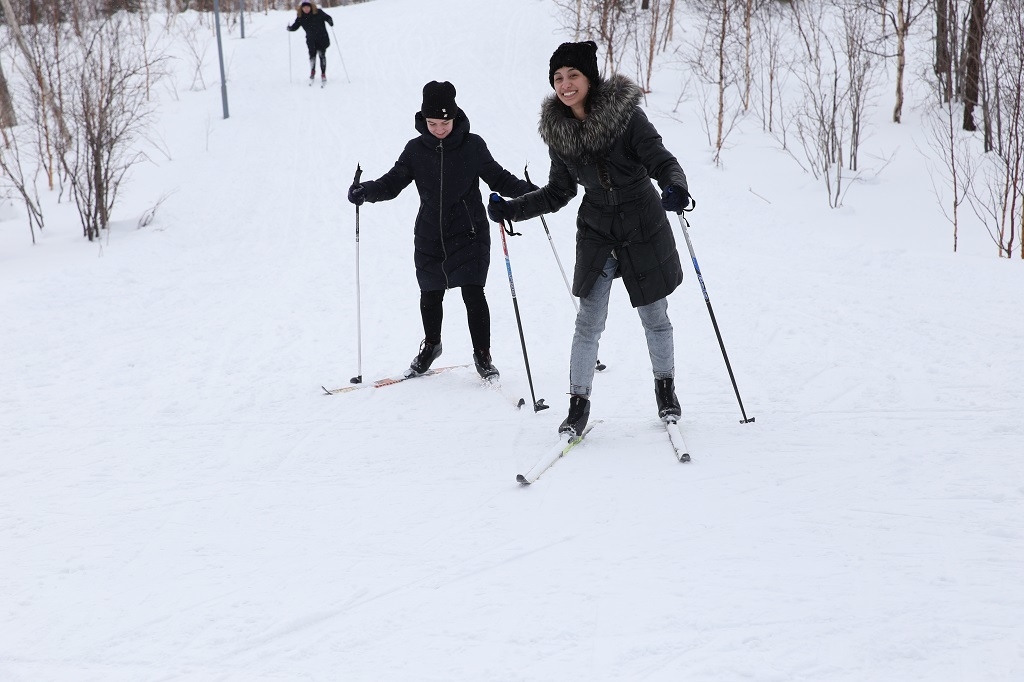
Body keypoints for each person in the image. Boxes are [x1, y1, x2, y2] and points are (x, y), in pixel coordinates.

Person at [486, 40, 691, 436]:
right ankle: (578, 405)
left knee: (654, 316)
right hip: (597, 228)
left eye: (573, 75)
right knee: (588, 321)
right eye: (558, 78)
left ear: (590, 78)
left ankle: (665, 389)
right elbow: (557, 192)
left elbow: (662, 160)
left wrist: (675, 187)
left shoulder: (626, 117)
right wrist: (513, 209)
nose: (565, 84)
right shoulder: (559, 132)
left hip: (642, 222)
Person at [347, 81, 535, 381]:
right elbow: (392, 183)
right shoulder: (415, 150)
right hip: (430, 234)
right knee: (430, 293)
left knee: (473, 292)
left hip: (469, 232)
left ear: (455, 117)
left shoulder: (473, 146)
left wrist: (532, 194)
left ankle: (483, 354)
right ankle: (432, 345)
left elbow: (499, 178)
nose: (438, 129)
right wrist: (366, 191)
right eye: (432, 123)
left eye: (444, 123)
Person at [287, 1, 333, 85]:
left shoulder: (318, 12)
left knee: (322, 55)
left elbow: (327, 17)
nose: (306, 9)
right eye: (304, 8)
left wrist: (330, 21)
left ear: (311, 7)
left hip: (322, 38)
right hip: (311, 40)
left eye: (307, 7)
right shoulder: (301, 16)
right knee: (312, 56)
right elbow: (296, 26)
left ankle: (323, 73)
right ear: (301, 8)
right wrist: (290, 28)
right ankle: (312, 71)